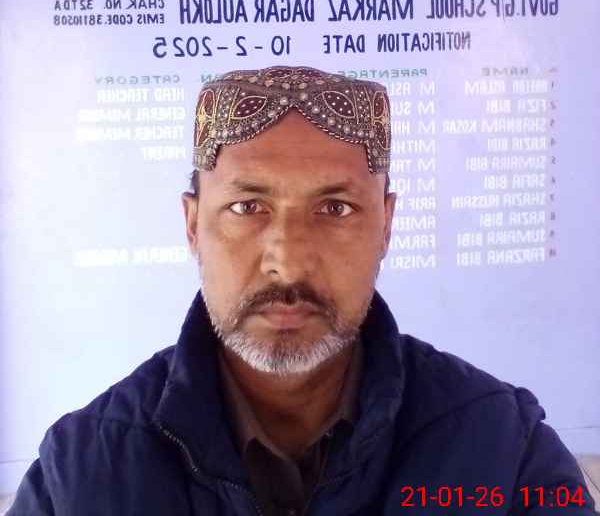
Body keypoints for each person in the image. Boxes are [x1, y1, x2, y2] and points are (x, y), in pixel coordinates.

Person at [8, 65, 597, 515]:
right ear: (192, 225)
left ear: (386, 226)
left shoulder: (503, 454)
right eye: (248, 207)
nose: (287, 261)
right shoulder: (82, 477)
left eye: (334, 208)